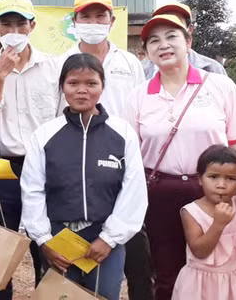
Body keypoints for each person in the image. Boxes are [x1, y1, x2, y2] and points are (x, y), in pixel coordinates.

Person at [123, 14, 236, 299]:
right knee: (167, 272)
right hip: (160, 192)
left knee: (223, 266)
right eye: (154, 40)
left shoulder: (219, 86)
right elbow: (131, 155)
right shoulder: (138, 96)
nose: (163, 45)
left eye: (171, 37)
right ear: (147, 52)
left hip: (216, 191)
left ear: (188, 42)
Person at [21, 53, 147, 300]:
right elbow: (33, 189)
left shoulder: (123, 134)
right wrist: (44, 240)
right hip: (58, 239)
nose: (82, 91)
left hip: (104, 242)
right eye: (73, 83)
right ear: (62, 87)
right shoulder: (45, 135)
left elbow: (134, 191)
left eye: (91, 83)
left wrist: (110, 238)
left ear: (102, 87)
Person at [0, 0, 60, 293]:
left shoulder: (54, 67)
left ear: (33, 26)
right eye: (7, 24)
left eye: (21, 24)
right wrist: (1, 73)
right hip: (1, 169)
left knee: (47, 248)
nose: (14, 30)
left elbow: (61, 118)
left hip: (45, 169)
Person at [65, 0, 150, 299]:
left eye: (100, 16)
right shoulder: (61, 62)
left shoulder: (130, 62)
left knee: (135, 261)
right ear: (73, 21)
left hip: (122, 165)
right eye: (85, 16)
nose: (93, 22)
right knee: (68, 267)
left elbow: (141, 113)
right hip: (75, 168)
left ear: (112, 20)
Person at [172, 145, 236, 300]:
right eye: (213, 177)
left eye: (231, 178)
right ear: (199, 179)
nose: (221, 185)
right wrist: (218, 224)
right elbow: (200, 251)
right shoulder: (191, 212)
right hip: (202, 287)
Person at [141, 3, 226, 79]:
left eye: (172, 34)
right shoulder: (140, 70)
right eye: (155, 40)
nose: (164, 45)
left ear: (189, 31)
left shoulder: (212, 69)